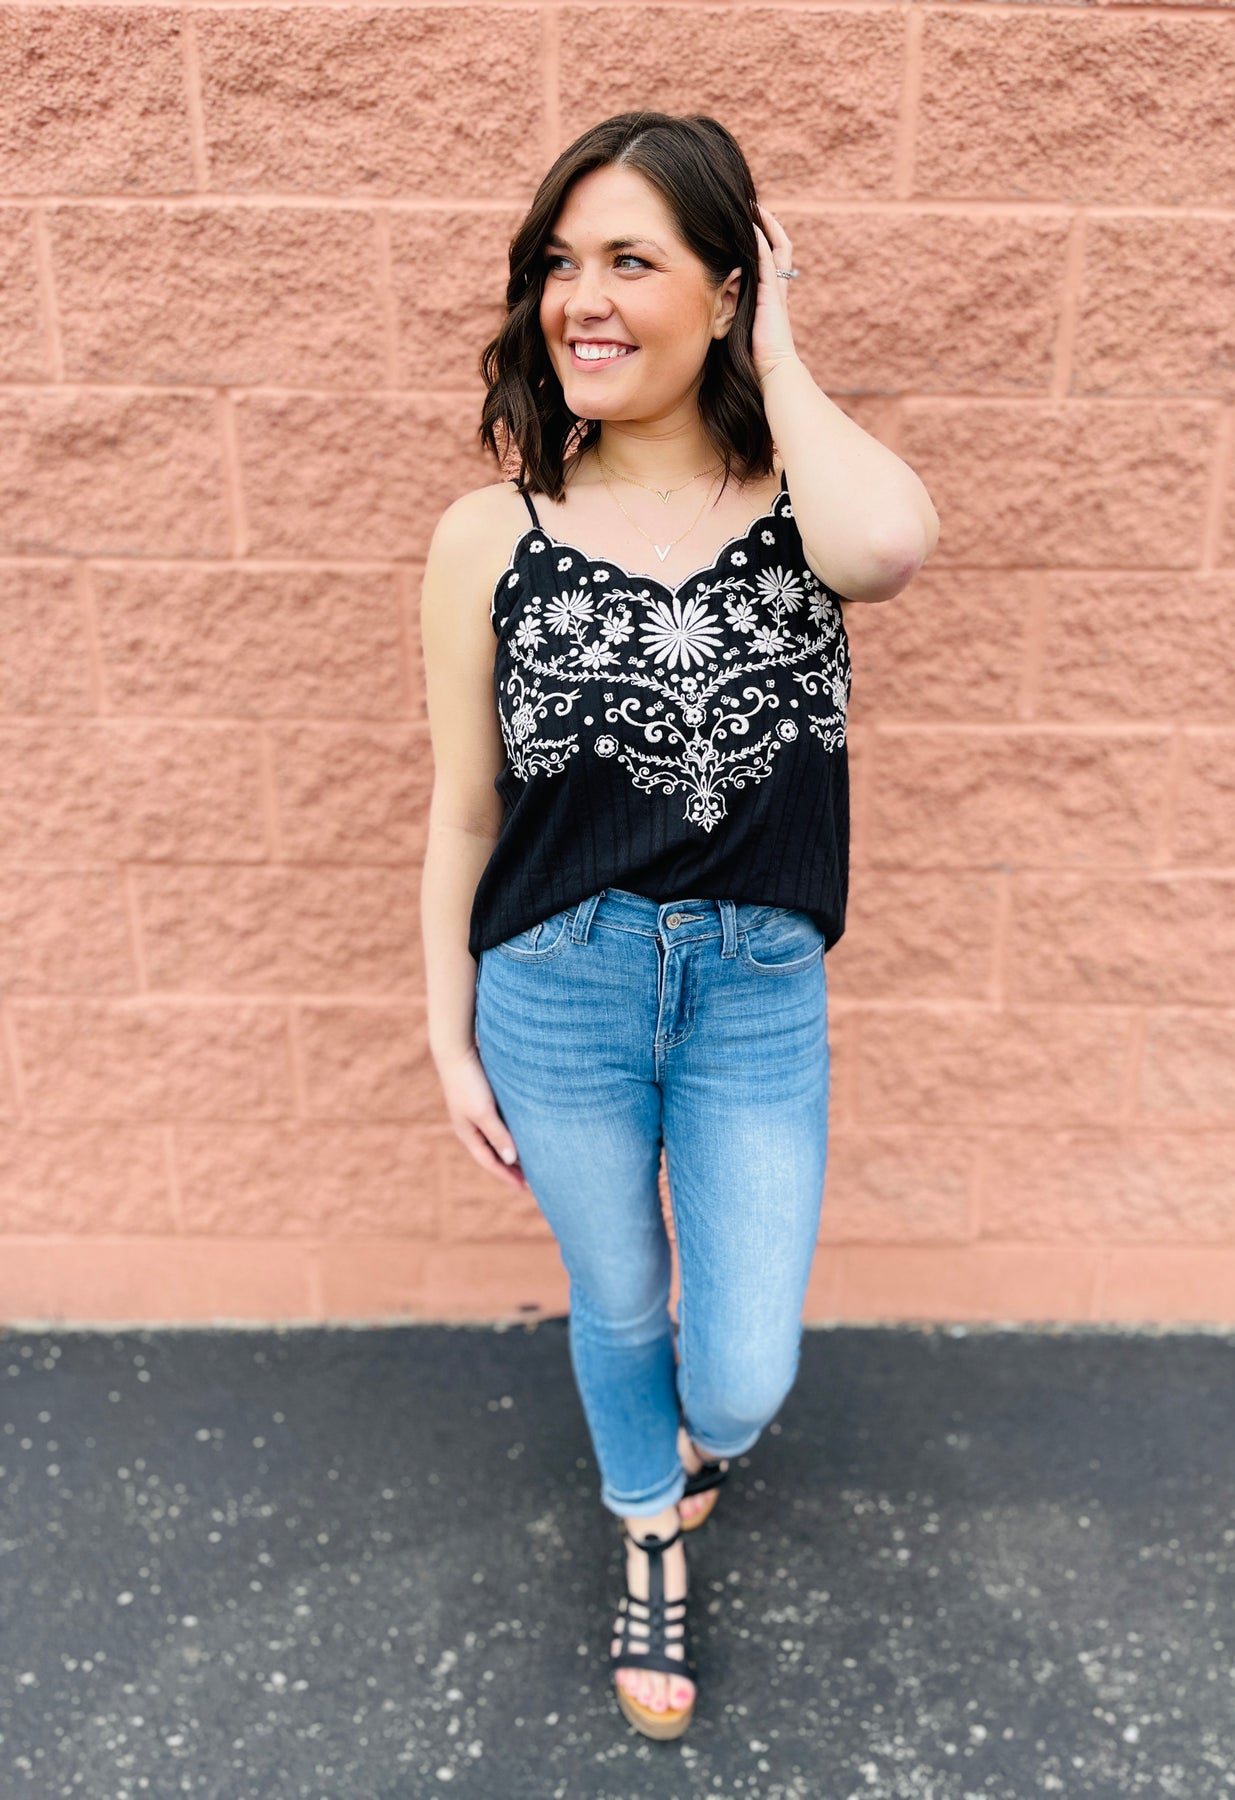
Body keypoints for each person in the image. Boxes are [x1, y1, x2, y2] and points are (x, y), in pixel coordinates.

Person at [418, 110, 939, 1741]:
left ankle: (694, 1443)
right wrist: (445, 1031)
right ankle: (646, 1529)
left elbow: (891, 547)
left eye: (631, 260)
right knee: (617, 1300)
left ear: (724, 291)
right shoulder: (488, 536)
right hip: (555, 988)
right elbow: (465, 810)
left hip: (754, 992)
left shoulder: (805, 511)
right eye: (559, 263)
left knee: (743, 1371)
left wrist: (779, 354)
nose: (581, 297)